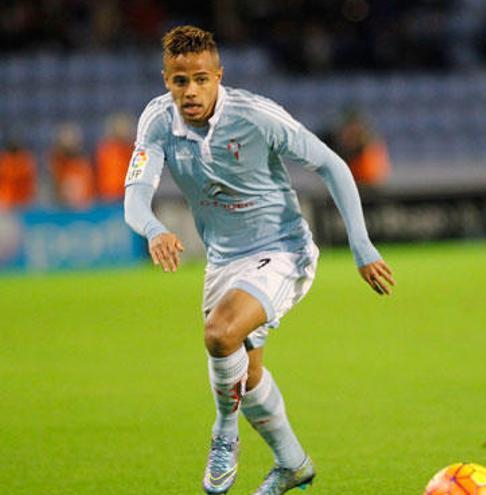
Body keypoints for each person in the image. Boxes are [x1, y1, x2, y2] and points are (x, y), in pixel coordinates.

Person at [123, 26, 395, 495]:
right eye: (179, 80)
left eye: (201, 79)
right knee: (245, 375)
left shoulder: (255, 116)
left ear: (219, 76)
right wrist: (154, 229)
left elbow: (332, 164)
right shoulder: (156, 121)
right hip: (223, 261)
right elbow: (135, 197)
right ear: (165, 79)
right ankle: (293, 464)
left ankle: (224, 434)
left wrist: (361, 245)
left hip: (282, 249)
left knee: (220, 333)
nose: (190, 91)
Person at [49, 123, 95, 210]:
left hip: (81, 209)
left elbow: (88, 188)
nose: (69, 143)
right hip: (61, 209)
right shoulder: (55, 164)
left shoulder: (82, 164)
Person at [95, 113, 135, 202]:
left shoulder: (133, 150)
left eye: (125, 127)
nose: (123, 130)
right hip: (108, 197)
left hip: (127, 195)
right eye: (120, 127)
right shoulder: (106, 150)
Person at [0, 138, 38, 210]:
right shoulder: (4, 161)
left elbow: (29, 181)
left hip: (21, 200)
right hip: (7, 200)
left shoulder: (24, 161)